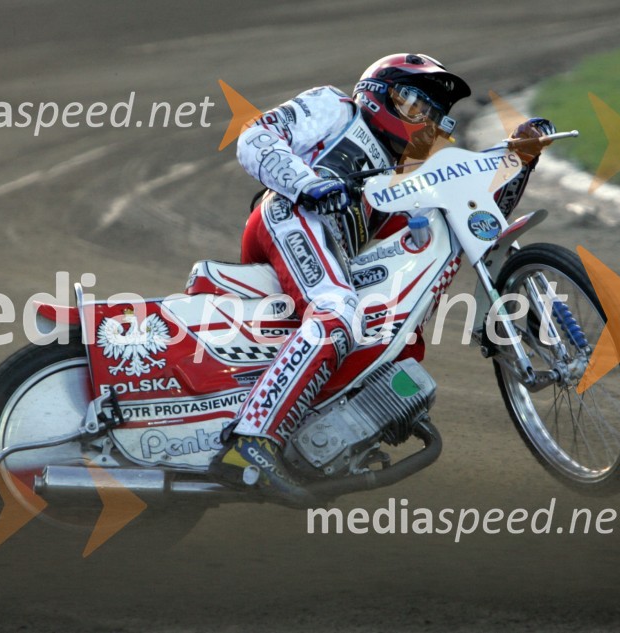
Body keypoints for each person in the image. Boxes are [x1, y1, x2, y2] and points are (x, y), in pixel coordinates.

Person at [210, 53, 554, 500]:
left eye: (433, 115)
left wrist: (516, 161)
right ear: (379, 93)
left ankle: (314, 431)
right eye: (414, 104)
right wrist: (307, 183)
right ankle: (249, 444)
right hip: (289, 215)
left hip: (333, 252)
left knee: (394, 335)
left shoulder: (407, 176)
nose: (423, 120)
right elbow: (255, 137)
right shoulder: (334, 107)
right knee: (337, 313)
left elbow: (474, 220)